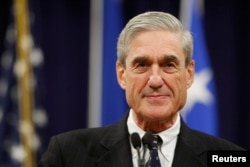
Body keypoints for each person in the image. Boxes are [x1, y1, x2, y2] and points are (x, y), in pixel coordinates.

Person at [38, 11, 244, 167]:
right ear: (122, 75)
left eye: (169, 65)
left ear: (189, 74)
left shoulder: (230, 158)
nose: (155, 80)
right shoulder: (68, 154)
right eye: (142, 65)